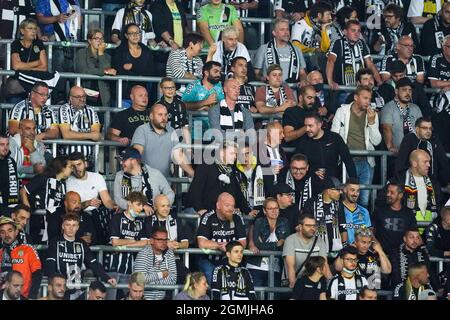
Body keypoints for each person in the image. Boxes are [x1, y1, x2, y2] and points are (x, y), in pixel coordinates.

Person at [45, 213, 116, 300]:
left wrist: (106, 278)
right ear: (63, 226)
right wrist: (57, 283)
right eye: (68, 225)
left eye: (74, 225)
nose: (71, 228)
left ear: (78, 227)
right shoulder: (55, 242)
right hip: (60, 287)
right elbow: (49, 265)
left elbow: (92, 262)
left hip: (76, 288)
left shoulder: (81, 243)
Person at [332, 85, 381, 207]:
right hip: (347, 161)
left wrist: (372, 122)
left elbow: (376, 141)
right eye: (365, 98)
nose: (368, 101)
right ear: (356, 97)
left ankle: (362, 225)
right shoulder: (342, 111)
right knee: (347, 198)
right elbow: (334, 136)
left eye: (369, 99)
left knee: (364, 200)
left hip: (366, 161)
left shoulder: (372, 114)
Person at [107, 191, 150, 300]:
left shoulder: (140, 222)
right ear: (129, 203)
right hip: (113, 267)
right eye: (138, 204)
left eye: (142, 205)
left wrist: (127, 242)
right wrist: (132, 241)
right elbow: (115, 242)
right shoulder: (117, 218)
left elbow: (145, 243)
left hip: (130, 270)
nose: (140, 208)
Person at [67, 152, 117, 245]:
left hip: (96, 215)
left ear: (85, 164)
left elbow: (107, 201)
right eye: (73, 166)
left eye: (79, 164)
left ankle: (108, 249)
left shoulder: (97, 177)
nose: (77, 169)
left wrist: (115, 206)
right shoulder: (69, 181)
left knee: (111, 213)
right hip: (78, 215)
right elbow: (70, 208)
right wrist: (87, 203)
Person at [326, 20, 381, 104]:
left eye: (358, 31)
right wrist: (330, 81)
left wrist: (379, 82)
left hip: (362, 90)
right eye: (353, 30)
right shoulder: (337, 43)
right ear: (345, 32)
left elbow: (370, 64)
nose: (356, 33)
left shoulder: (362, 43)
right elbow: (330, 61)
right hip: (344, 90)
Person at [196, 192, 247, 283]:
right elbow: (202, 243)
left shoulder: (237, 217)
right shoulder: (208, 216)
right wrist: (220, 246)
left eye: (232, 206)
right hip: (208, 259)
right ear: (218, 205)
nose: (231, 209)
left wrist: (228, 246)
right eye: (227, 205)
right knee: (212, 275)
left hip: (230, 260)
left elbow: (243, 242)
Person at [131, 103, 194, 178]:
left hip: (164, 181)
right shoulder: (142, 130)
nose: (164, 118)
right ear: (151, 116)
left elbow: (178, 156)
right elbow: (137, 154)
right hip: (145, 180)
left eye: (166, 115)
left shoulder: (171, 130)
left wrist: (193, 173)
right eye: (160, 115)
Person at [188, 141, 250, 215]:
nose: (235, 157)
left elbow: (237, 192)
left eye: (236, 154)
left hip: (222, 212)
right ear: (222, 153)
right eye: (232, 153)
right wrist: (200, 209)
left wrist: (247, 211)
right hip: (205, 211)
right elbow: (196, 189)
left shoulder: (231, 169)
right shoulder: (206, 165)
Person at [20, 156, 72, 244]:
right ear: (62, 168)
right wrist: (27, 207)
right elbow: (23, 191)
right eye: (70, 167)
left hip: (54, 225)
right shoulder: (43, 178)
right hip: (38, 223)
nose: (72, 170)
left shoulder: (63, 184)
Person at [114, 147, 174, 216]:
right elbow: (118, 199)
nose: (121, 162)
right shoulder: (119, 176)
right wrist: (141, 206)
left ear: (134, 161)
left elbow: (170, 193)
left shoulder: (155, 174)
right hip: (129, 216)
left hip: (153, 216)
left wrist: (159, 206)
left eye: (124, 160)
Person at [295, 112, 357, 179]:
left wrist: (354, 180)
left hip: (332, 181)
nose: (307, 129)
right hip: (310, 180)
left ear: (320, 125)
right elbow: (296, 164)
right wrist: (312, 173)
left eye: (310, 126)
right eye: (305, 126)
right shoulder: (302, 142)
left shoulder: (334, 138)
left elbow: (348, 160)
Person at [395, 117, 450, 189]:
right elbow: (401, 164)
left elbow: (443, 161)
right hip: (411, 183)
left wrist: (447, 181)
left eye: (430, 128)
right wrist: (403, 183)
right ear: (417, 129)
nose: (428, 131)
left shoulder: (434, 140)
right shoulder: (409, 139)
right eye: (425, 128)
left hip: (432, 182)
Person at [246, 197, 289, 287]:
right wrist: (276, 244)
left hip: (275, 268)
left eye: (276, 208)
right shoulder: (259, 222)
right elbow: (258, 244)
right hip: (256, 266)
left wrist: (266, 245)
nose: (274, 211)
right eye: (270, 208)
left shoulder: (284, 222)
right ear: (265, 211)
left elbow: (285, 245)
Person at [112, 23, 154, 108]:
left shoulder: (146, 51)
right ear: (126, 35)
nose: (135, 35)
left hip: (142, 96)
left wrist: (132, 66)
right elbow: (119, 71)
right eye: (131, 33)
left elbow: (150, 72)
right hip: (124, 95)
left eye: (137, 33)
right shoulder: (120, 51)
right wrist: (140, 72)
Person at [283, 214, 330, 289]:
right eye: (308, 225)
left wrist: (330, 283)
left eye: (314, 226)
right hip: (295, 280)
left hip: (314, 281)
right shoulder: (290, 240)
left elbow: (324, 264)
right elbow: (290, 266)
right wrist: (294, 285)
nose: (312, 228)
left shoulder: (320, 241)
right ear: (300, 227)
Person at [254, 18, 307, 84]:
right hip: (271, 90)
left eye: (287, 29)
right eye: (282, 30)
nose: (286, 33)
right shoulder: (263, 49)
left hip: (292, 91)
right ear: (274, 33)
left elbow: (302, 73)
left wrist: (303, 80)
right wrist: (263, 78)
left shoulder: (297, 50)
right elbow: (256, 73)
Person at [400, 150, 441, 234]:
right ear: (414, 163)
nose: (429, 165)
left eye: (429, 162)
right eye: (425, 162)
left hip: (430, 232)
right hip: (406, 231)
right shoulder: (399, 180)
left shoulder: (434, 182)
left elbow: (439, 203)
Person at [303, 176, 347, 254]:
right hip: (316, 250)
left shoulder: (339, 204)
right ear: (328, 191)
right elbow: (305, 227)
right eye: (337, 190)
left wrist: (344, 247)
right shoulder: (311, 203)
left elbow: (342, 227)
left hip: (336, 250)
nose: (341, 192)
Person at [0, 216, 42, 299]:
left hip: (24, 297)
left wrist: (32, 296)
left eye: (10, 230)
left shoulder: (28, 249)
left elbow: (38, 274)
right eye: (2, 232)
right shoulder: (0, 252)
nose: (6, 235)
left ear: (16, 232)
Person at [58, 85, 101, 165]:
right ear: (71, 98)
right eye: (78, 97)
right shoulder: (64, 109)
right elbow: (66, 135)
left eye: (84, 96)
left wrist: (74, 134)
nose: (82, 99)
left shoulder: (91, 110)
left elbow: (97, 135)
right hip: (68, 159)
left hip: (87, 160)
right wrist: (89, 135)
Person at [7, 18, 48, 101]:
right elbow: (16, 66)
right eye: (30, 28)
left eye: (35, 29)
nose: (33, 31)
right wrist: (37, 63)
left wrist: (24, 68)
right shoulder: (16, 44)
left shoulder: (38, 43)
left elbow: (44, 67)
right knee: (13, 89)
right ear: (22, 31)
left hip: (35, 80)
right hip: (20, 80)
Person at [380, 77, 423, 155]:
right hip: (397, 153)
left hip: (414, 153)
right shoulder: (388, 107)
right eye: (404, 90)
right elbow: (386, 128)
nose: (407, 93)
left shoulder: (416, 108)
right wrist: (390, 147)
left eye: (410, 90)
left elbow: (421, 129)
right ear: (396, 91)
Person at [373, 181, 417, 255]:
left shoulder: (409, 213)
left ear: (400, 195)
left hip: (402, 256)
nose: (388, 194)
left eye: (392, 192)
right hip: (382, 255)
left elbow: (414, 234)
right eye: (387, 192)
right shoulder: (379, 211)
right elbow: (370, 231)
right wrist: (377, 246)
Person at [134, 227, 177, 300]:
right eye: (160, 240)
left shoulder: (169, 253)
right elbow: (139, 279)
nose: (163, 242)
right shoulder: (144, 253)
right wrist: (161, 275)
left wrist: (150, 280)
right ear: (151, 240)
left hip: (162, 298)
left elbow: (173, 280)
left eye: (165, 240)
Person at [75, 28, 115, 108]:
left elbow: (108, 72)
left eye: (101, 39)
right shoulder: (82, 53)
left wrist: (101, 53)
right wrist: (104, 72)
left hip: (103, 94)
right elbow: (83, 70)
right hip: (86, 91)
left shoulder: (106, 56)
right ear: (90, 41)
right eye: (96, 38)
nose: (99, 41)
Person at [424, 206, 450, 298]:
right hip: (430, 261)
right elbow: (430, 249)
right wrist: (447, 253)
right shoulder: (433, 227)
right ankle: (438, 290)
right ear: (444, 217)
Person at [341, 178, 373, 243]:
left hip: (360, 251)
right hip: (343, 250)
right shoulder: (337, 209)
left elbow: (368, 232)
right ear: (345, 190)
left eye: (358, 191)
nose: (355, 194)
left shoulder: (364, 211)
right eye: (352, 190)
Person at [0, 133, 20, 216]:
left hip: (8, 206)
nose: (5, 148)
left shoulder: (11, 161)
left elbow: (13, 186)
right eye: (2, 144)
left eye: (7, 144)